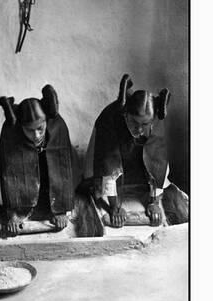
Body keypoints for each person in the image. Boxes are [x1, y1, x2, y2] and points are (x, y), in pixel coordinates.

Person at [79, 74, 188, 231]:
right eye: (134, 122)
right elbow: (108, 166)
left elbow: (159, 162)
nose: (139, 129)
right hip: (110, 156)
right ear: (126, 114)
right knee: (96, 186)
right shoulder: (109, 119)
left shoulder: (156, 119)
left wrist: (154, 203)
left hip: (136, 157)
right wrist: (115, 207)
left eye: (145, 124)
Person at [0, 85, 76, 236]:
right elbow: (10, 176)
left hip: (47, 186)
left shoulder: (58, 127)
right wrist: (13, 214)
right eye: (30, 130)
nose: (37, 135)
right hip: (24, 186)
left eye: (40, 129)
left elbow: (62, 171)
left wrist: (62, 209)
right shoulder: (12, 134)